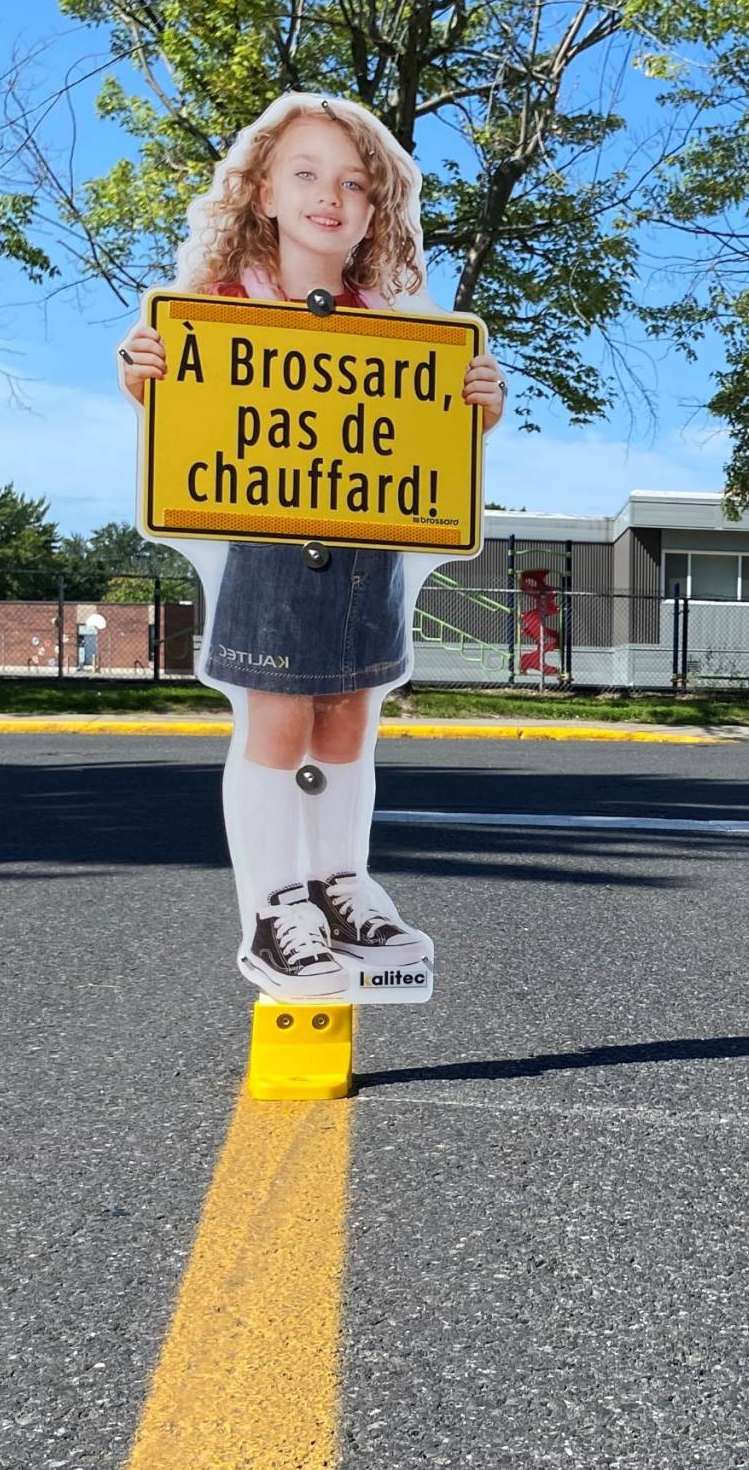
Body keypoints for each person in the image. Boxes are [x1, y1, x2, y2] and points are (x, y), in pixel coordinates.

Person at [114, 92, 506, 999]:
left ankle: (340, 885)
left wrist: (480, 401)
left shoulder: (395, 325)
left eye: (354, 184)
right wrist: (141, 377)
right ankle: (277, 904)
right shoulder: (220, 309)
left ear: (376, 211)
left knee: (349, 721)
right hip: (269, 547)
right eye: (307, 174)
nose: (330, 195)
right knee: (276, 723)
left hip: (370, 546)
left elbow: (424, 435)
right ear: (262, 193)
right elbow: (185, 419)